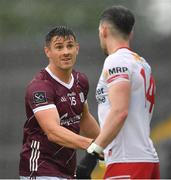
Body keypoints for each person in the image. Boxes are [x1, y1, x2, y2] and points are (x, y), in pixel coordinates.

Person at [80, 5, 160, 179]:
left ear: (103, 30)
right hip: (145, 158)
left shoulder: (116, 61)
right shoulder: (141, 63)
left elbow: (120, 111)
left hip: (127, 160)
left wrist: (92, 153)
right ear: (131, 33)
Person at [19, 26, 100, 179]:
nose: (66, 52)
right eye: (59, 47)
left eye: (70, 46)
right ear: (47, 51)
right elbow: (53, 132)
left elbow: (84, 119)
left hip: (68, 170)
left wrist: (109, 145)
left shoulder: (80, 81)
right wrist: (92, 145)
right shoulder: (40, 87)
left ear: (77, 48)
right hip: (40, 169)